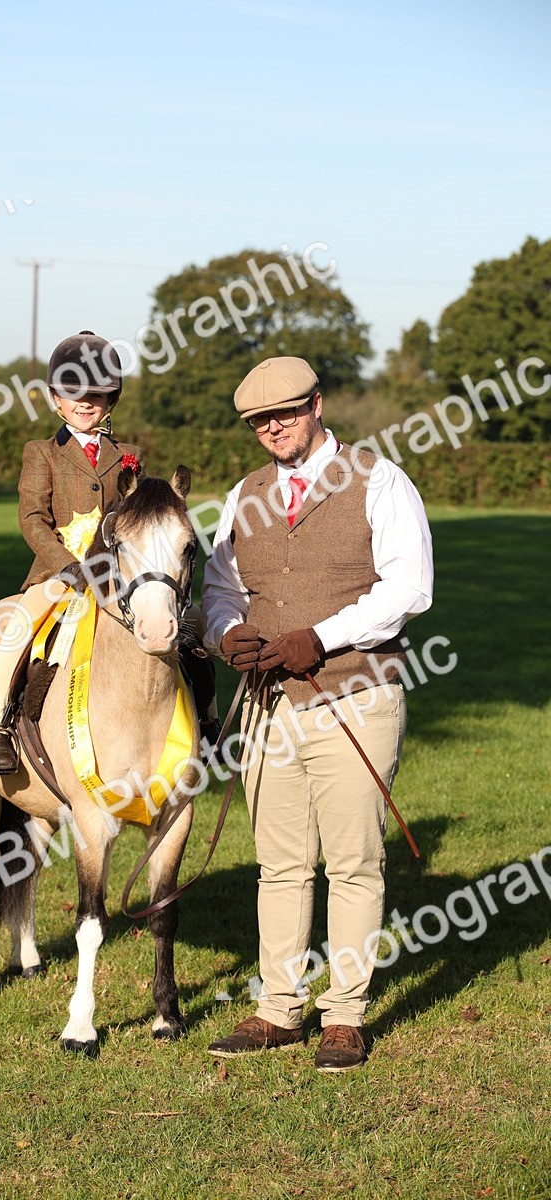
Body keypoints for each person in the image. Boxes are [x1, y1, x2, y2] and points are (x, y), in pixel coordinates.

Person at [201, 356, 433, 1072]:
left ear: (317, 407)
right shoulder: (244, 495)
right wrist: (223, 632)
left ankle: (345, 1016)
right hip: (269, 708)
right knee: (279, 865)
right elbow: (218, 586)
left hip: (354, 697)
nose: (275, 428)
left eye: (287, 413)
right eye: (260, 421)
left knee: (355, 863)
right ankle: (278, 1010)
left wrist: (321, 637)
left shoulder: (379, 480)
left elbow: (409, 589)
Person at [0, 329, 219, 775]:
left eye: (98, 395)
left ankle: (208, 721)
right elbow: (32, 520)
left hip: (118, 576)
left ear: (112, 401)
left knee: (193, 629)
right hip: (57, 574)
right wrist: (68, 567)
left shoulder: (129, 455)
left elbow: (139, 516)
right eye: (74, 394)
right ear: (55, 399)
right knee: (18, 628)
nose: (86, 403)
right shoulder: (42, 453)